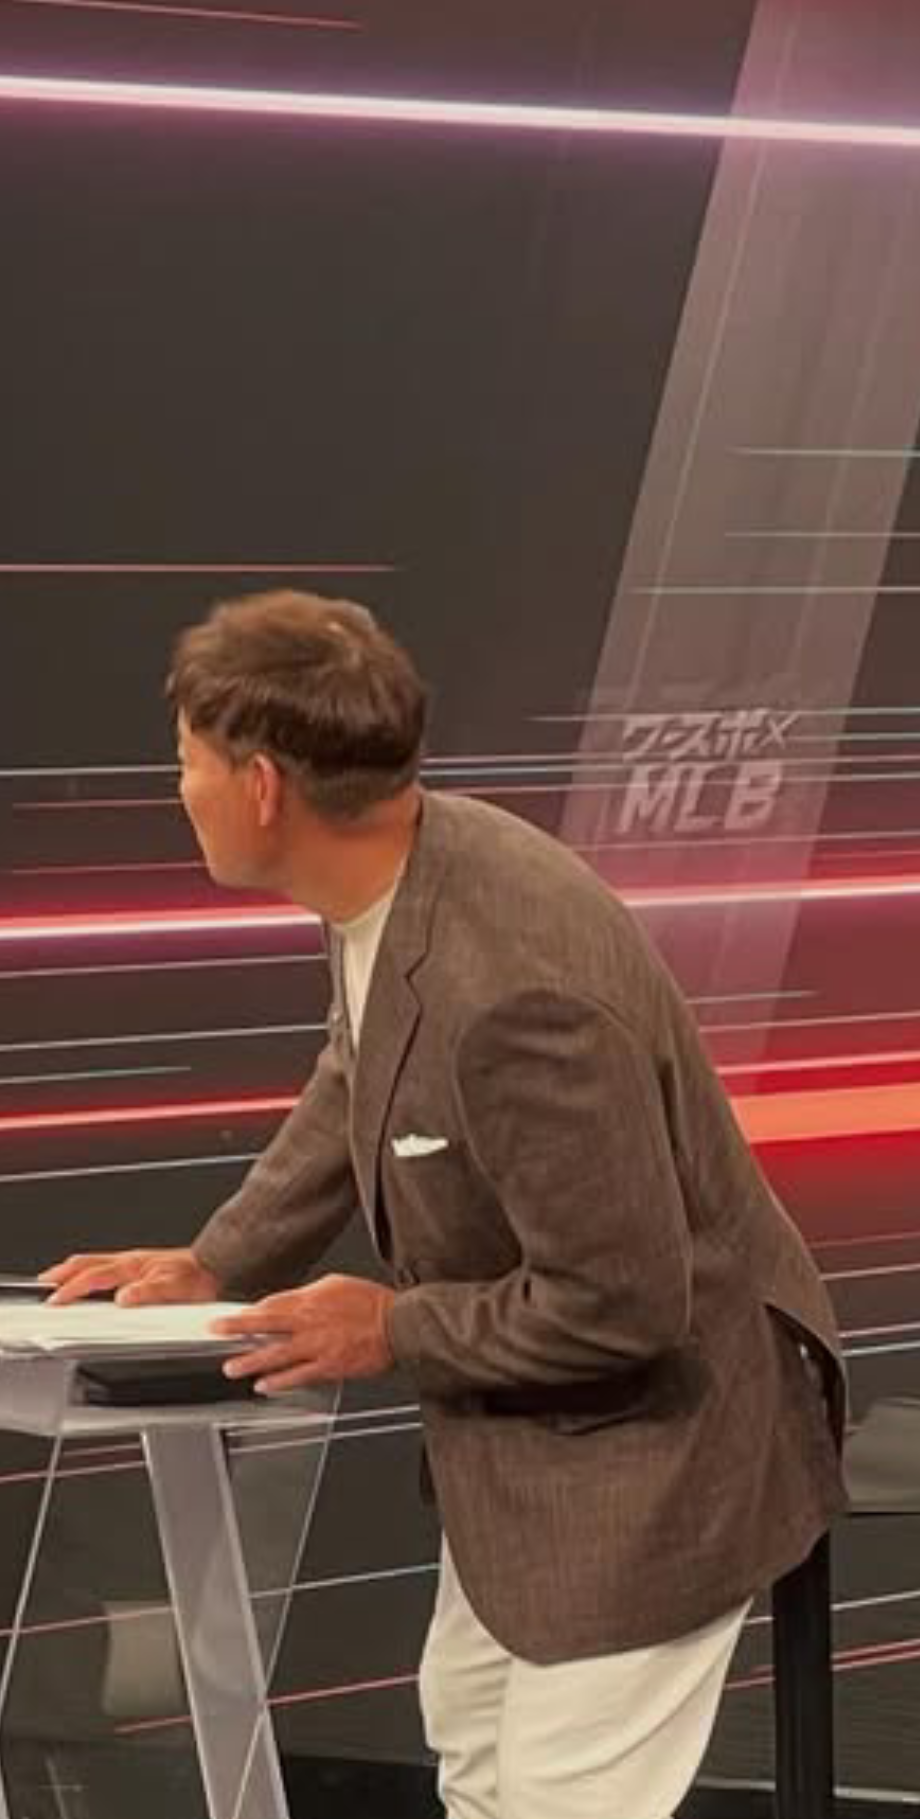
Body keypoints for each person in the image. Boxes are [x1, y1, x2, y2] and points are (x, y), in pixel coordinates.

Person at [42, 590, 847, 1819]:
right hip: (522, 1444)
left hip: (659, 1456)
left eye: (187, 762)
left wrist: (388, 1327)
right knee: (472, 1753)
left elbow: (625, 1304)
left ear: (263, 787)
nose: (179, 788)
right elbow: (361, 1065)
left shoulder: (519, 995)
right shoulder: (394, 873)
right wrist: (221, 1261)